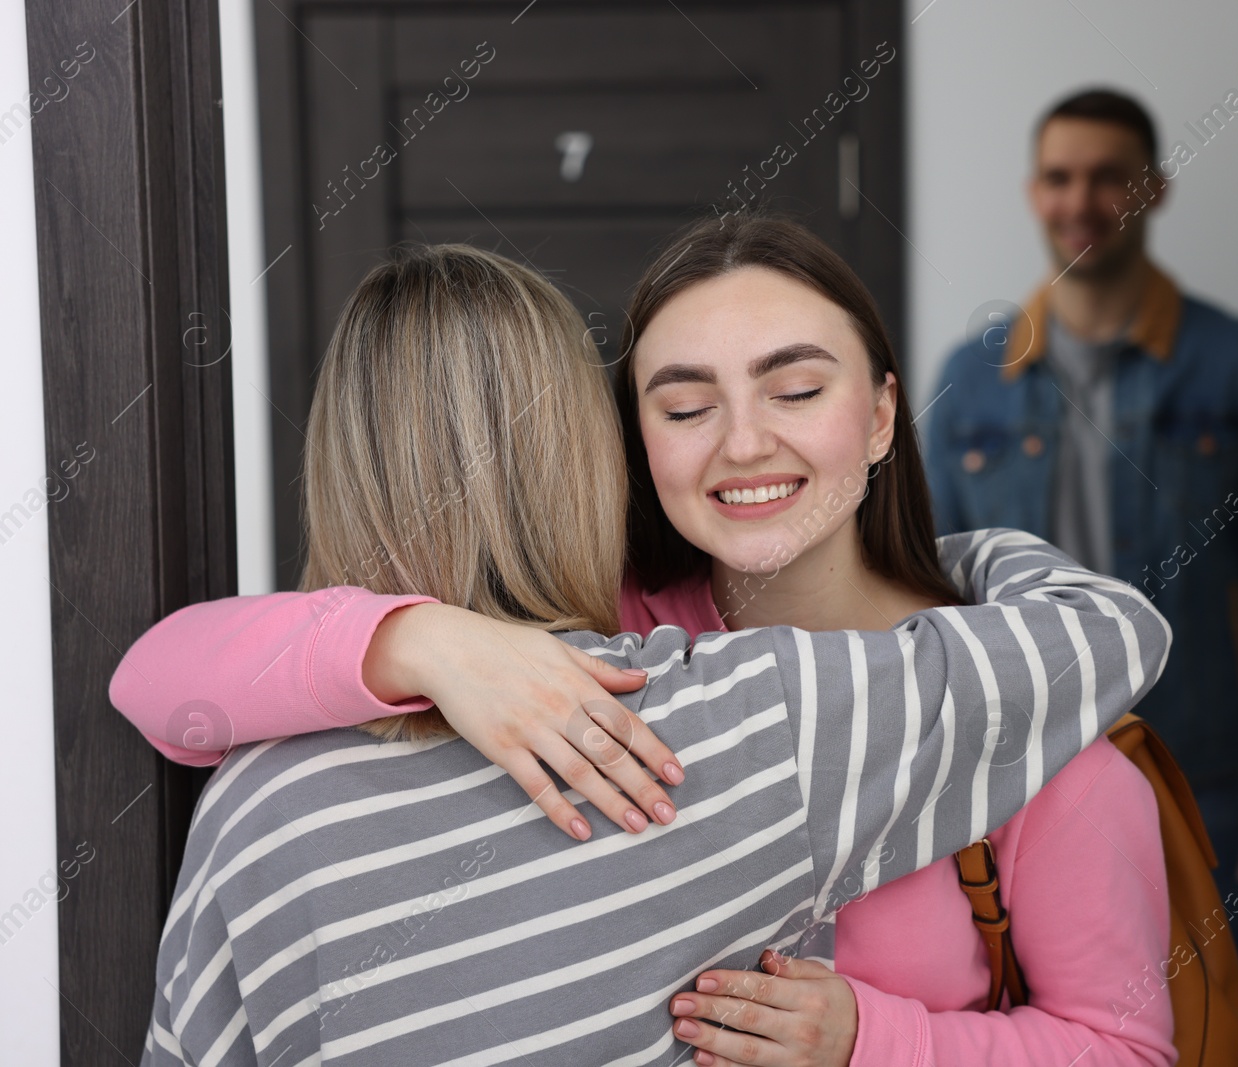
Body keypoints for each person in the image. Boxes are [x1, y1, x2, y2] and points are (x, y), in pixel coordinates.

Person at [116, 228, 1177, 1066]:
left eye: (798, 389)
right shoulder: (600, 650)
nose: (743, 440)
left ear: (883, 412)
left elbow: (1125, 1046)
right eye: (682, 405)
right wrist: (423, 640)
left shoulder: (1024, 698)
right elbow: (163, 678)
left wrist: (874, 1039)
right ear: (625, 446)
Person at [922, 87, 1238, 965]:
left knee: (1200, 1028)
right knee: (1033, 1035)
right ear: (1035, 193)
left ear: (1152, 190)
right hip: (1015, 774)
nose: (1081, 202)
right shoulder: (972, 375)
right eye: (1060, 177)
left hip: (1195, 768)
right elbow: (927, 587)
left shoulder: (1235, 362)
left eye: (1110, 177)